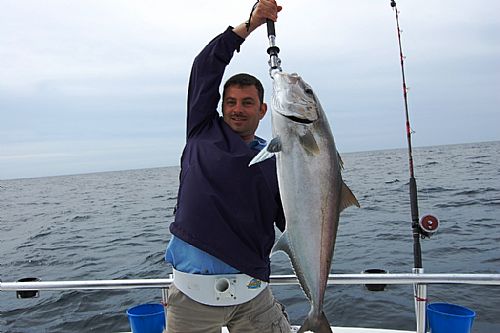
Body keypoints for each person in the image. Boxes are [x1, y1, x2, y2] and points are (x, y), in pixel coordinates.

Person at [164, 0, 291, 332]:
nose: (237, 109)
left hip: (254, 296)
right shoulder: (202, 132)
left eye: (247, 103)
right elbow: (205, 66)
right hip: (192, 298)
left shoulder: (277, 160)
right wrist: (249, 26)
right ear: (219, 106)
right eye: (230, 102)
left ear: (263, 110)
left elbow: (292, 220)